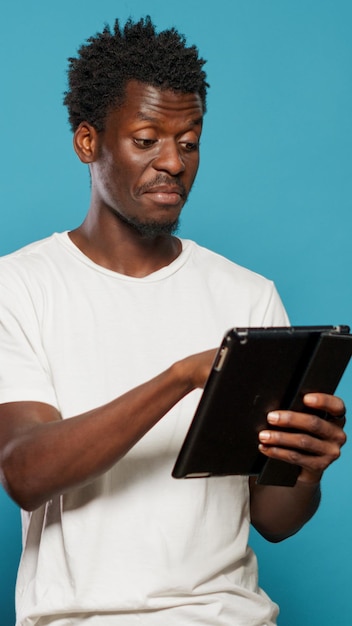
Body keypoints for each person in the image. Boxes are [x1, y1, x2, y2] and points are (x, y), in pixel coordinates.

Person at [0, 16, 346, 626]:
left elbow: (273, 521)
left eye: (189, 141)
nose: (173, 162)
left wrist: (307, 468)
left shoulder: (248, 295)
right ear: (88, 142)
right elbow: (26, 471)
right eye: (146, 139)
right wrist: (181, 377)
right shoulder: (21, 286)